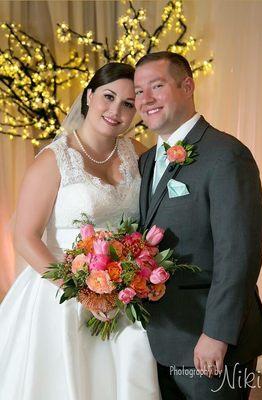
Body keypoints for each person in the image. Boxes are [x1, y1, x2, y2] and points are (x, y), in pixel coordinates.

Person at [0, 62, 161, 400]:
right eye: (108, 96)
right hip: (61, 294)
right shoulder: (53, 160)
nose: (115, 110)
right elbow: (25, 236)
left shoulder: (140, 155)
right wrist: (80, 293)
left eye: (128, 103)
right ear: (89, 96)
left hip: (122, 291)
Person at [134, 51, 262, 399]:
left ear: (187, 85)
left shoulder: (226, 155)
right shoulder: (145, 161)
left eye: (157, 86)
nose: (145, 99)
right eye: (138, 91)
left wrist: (217, 335)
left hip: (209, 342)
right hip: (158, 340)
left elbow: (238, 253)